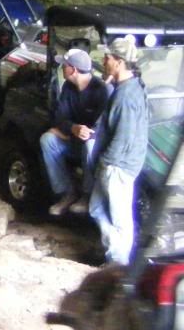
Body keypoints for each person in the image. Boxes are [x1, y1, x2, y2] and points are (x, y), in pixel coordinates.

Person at [89, 37, 148, 265]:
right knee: (95, 208)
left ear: (120, 62)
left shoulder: (126, 96)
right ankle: (115, 252)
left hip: (118, 165)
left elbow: (124, 136)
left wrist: (106, 161)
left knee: (120, 218)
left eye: (108, 57)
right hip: (119, 162)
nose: (104, 61)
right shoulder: (129, 87)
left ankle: (117, 263)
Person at [41, 48, 110, 216]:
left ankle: (87, 196)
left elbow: (105, 126)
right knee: (47, 139)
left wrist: (86, 133)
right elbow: (59, 118)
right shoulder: (68, 87)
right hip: (72, 139)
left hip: (94, 145)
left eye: (65, 65)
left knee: (89, 143)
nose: (62, 68)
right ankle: (67, 192)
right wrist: (73, 128)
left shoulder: (101, 90)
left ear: (73, 69)